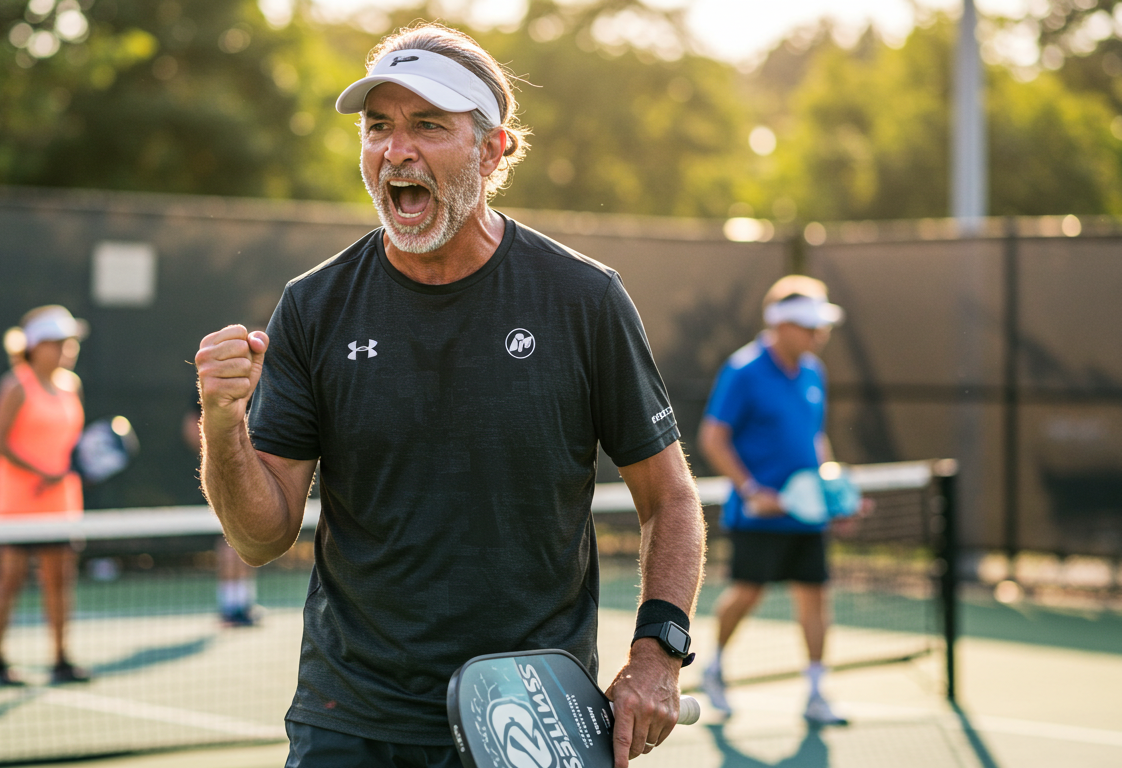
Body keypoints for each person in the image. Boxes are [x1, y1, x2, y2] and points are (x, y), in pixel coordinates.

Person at [195, 23, 706, 768]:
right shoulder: (312, 307)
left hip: (530, 717)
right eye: (378, 127)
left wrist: (659, 651)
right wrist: (222, 424)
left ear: (492, 150)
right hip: (351, 715)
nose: (395, 150)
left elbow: (671, 498)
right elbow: (259, 536)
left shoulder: (584, 299)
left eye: (428, 125)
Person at [697, 275, 864, 726]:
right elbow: (713, 437)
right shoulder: (743, 370)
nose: (820, 335)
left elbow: (814, 439)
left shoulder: (813, 372)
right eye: (810, 326)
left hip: (806, 517)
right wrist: (753, 491)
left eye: (822, 326)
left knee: (816, 598)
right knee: (746, 594)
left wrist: (831, 499)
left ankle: (814, 691)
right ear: (780, 324)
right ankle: (713, 669)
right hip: (758, 516)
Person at [0, 305, 92, 687]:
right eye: (59, 342)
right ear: (36, 346)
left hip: (62, 503)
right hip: (17, 504)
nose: (67, 349)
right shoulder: (15, 385)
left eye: (70, 342)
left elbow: (70, 445)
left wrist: (80, 464)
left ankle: (61, 659)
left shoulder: (71, 385)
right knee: (9, 579)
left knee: (60, 580)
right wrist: (40, 471)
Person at [182, 402, 261, 627]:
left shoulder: (264, 384)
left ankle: (243, 603)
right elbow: (190, 429)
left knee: (249, 537)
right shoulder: (212, 379)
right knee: (229, 541)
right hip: (223, 476)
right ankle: (229, 607)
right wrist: (222, 452)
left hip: (255, 475)